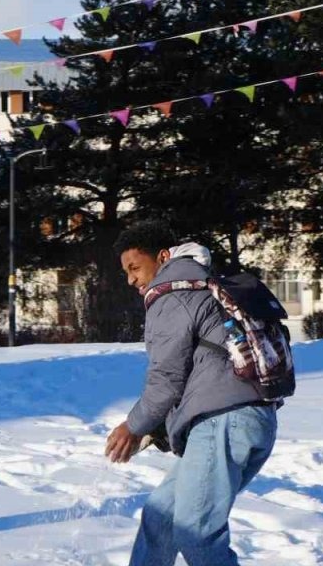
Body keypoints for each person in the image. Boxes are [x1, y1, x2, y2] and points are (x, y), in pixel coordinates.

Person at [106, 222, 278, 566]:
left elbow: (166, 378)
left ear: (163, 257)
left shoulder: (172, 295)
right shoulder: (202, 285)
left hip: (223, 423)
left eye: (135, 268)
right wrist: (157, 428)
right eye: (126, 271)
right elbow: (198, 372)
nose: (131, 280)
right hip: (243, 419)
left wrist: (134, 425)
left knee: (196, 531)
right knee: (161, 517)